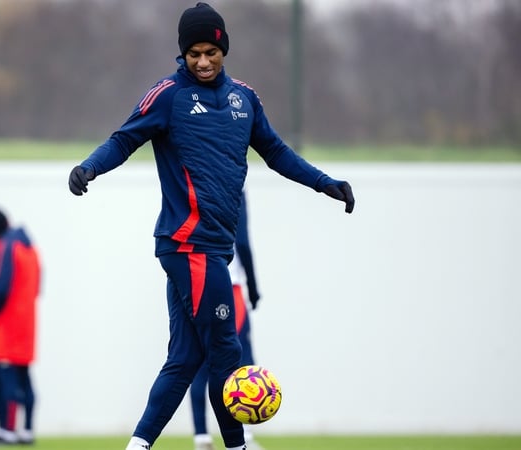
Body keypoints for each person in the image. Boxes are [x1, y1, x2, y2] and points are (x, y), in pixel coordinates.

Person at [67, 3, 355, 450]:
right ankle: (237, 447)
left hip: (216, 248)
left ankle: (138, 445)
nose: (202, 61)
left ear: (224, 49)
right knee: (227, 350)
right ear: (182, 54)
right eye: (193, 53)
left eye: (210, 52)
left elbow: (277, 153)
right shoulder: (168, 95)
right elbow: (125, 138)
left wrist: (326, 184)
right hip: (188, 243)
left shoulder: (245, 99)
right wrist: (89, 168)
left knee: (184, 358)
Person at [190, 192, 263, 450]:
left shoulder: (194, 188)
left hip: (196, 281)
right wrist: (253, 289)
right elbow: (242, 244)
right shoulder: (234, 192)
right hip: (228, 287)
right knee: (241, 363)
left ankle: (201, 436)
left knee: (199, 362)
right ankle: (245, 438)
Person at [0, 208, 41, 445]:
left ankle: (7, 430)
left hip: (7, 324)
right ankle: (27, 430)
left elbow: (2, 286)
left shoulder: (7, 246)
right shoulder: (31, 248)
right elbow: (38, 286)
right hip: (27, 322)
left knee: (7, 380)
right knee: (25, 377)